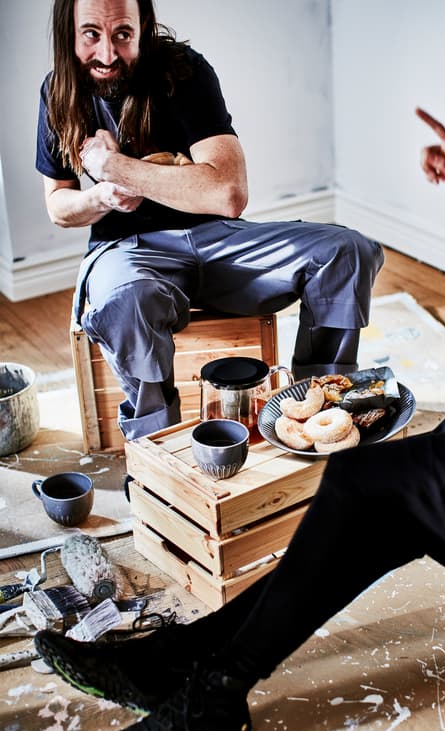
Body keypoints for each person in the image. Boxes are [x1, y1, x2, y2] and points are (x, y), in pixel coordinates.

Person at [35, 1, 445, 731]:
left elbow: (226, 191)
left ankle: (210, 698)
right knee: (367, 505)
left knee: (363, 490)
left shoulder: (180, 73)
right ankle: (182, 661)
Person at [36, 0, 384, 443]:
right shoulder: (57, 92)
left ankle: (319, 415)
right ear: (69, 32)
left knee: (346, 251)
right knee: (126, 300)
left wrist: (116, 167)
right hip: (127, 250)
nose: (107, 53)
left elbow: (228, 193)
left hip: (217, 239)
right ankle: (157, 451)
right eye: (91, 35)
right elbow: (58, 205)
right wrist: (103, 195)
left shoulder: (182, 71)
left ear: (142, 26)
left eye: (122, 34)